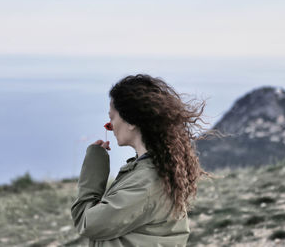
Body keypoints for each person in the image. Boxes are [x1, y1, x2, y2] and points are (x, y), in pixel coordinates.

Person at [71, 74, 212, 247]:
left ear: (131, 121)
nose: (109, 125)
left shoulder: (145, 182)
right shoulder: (155, 168)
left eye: (112, 117)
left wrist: (94, 166)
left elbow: (87, 222)